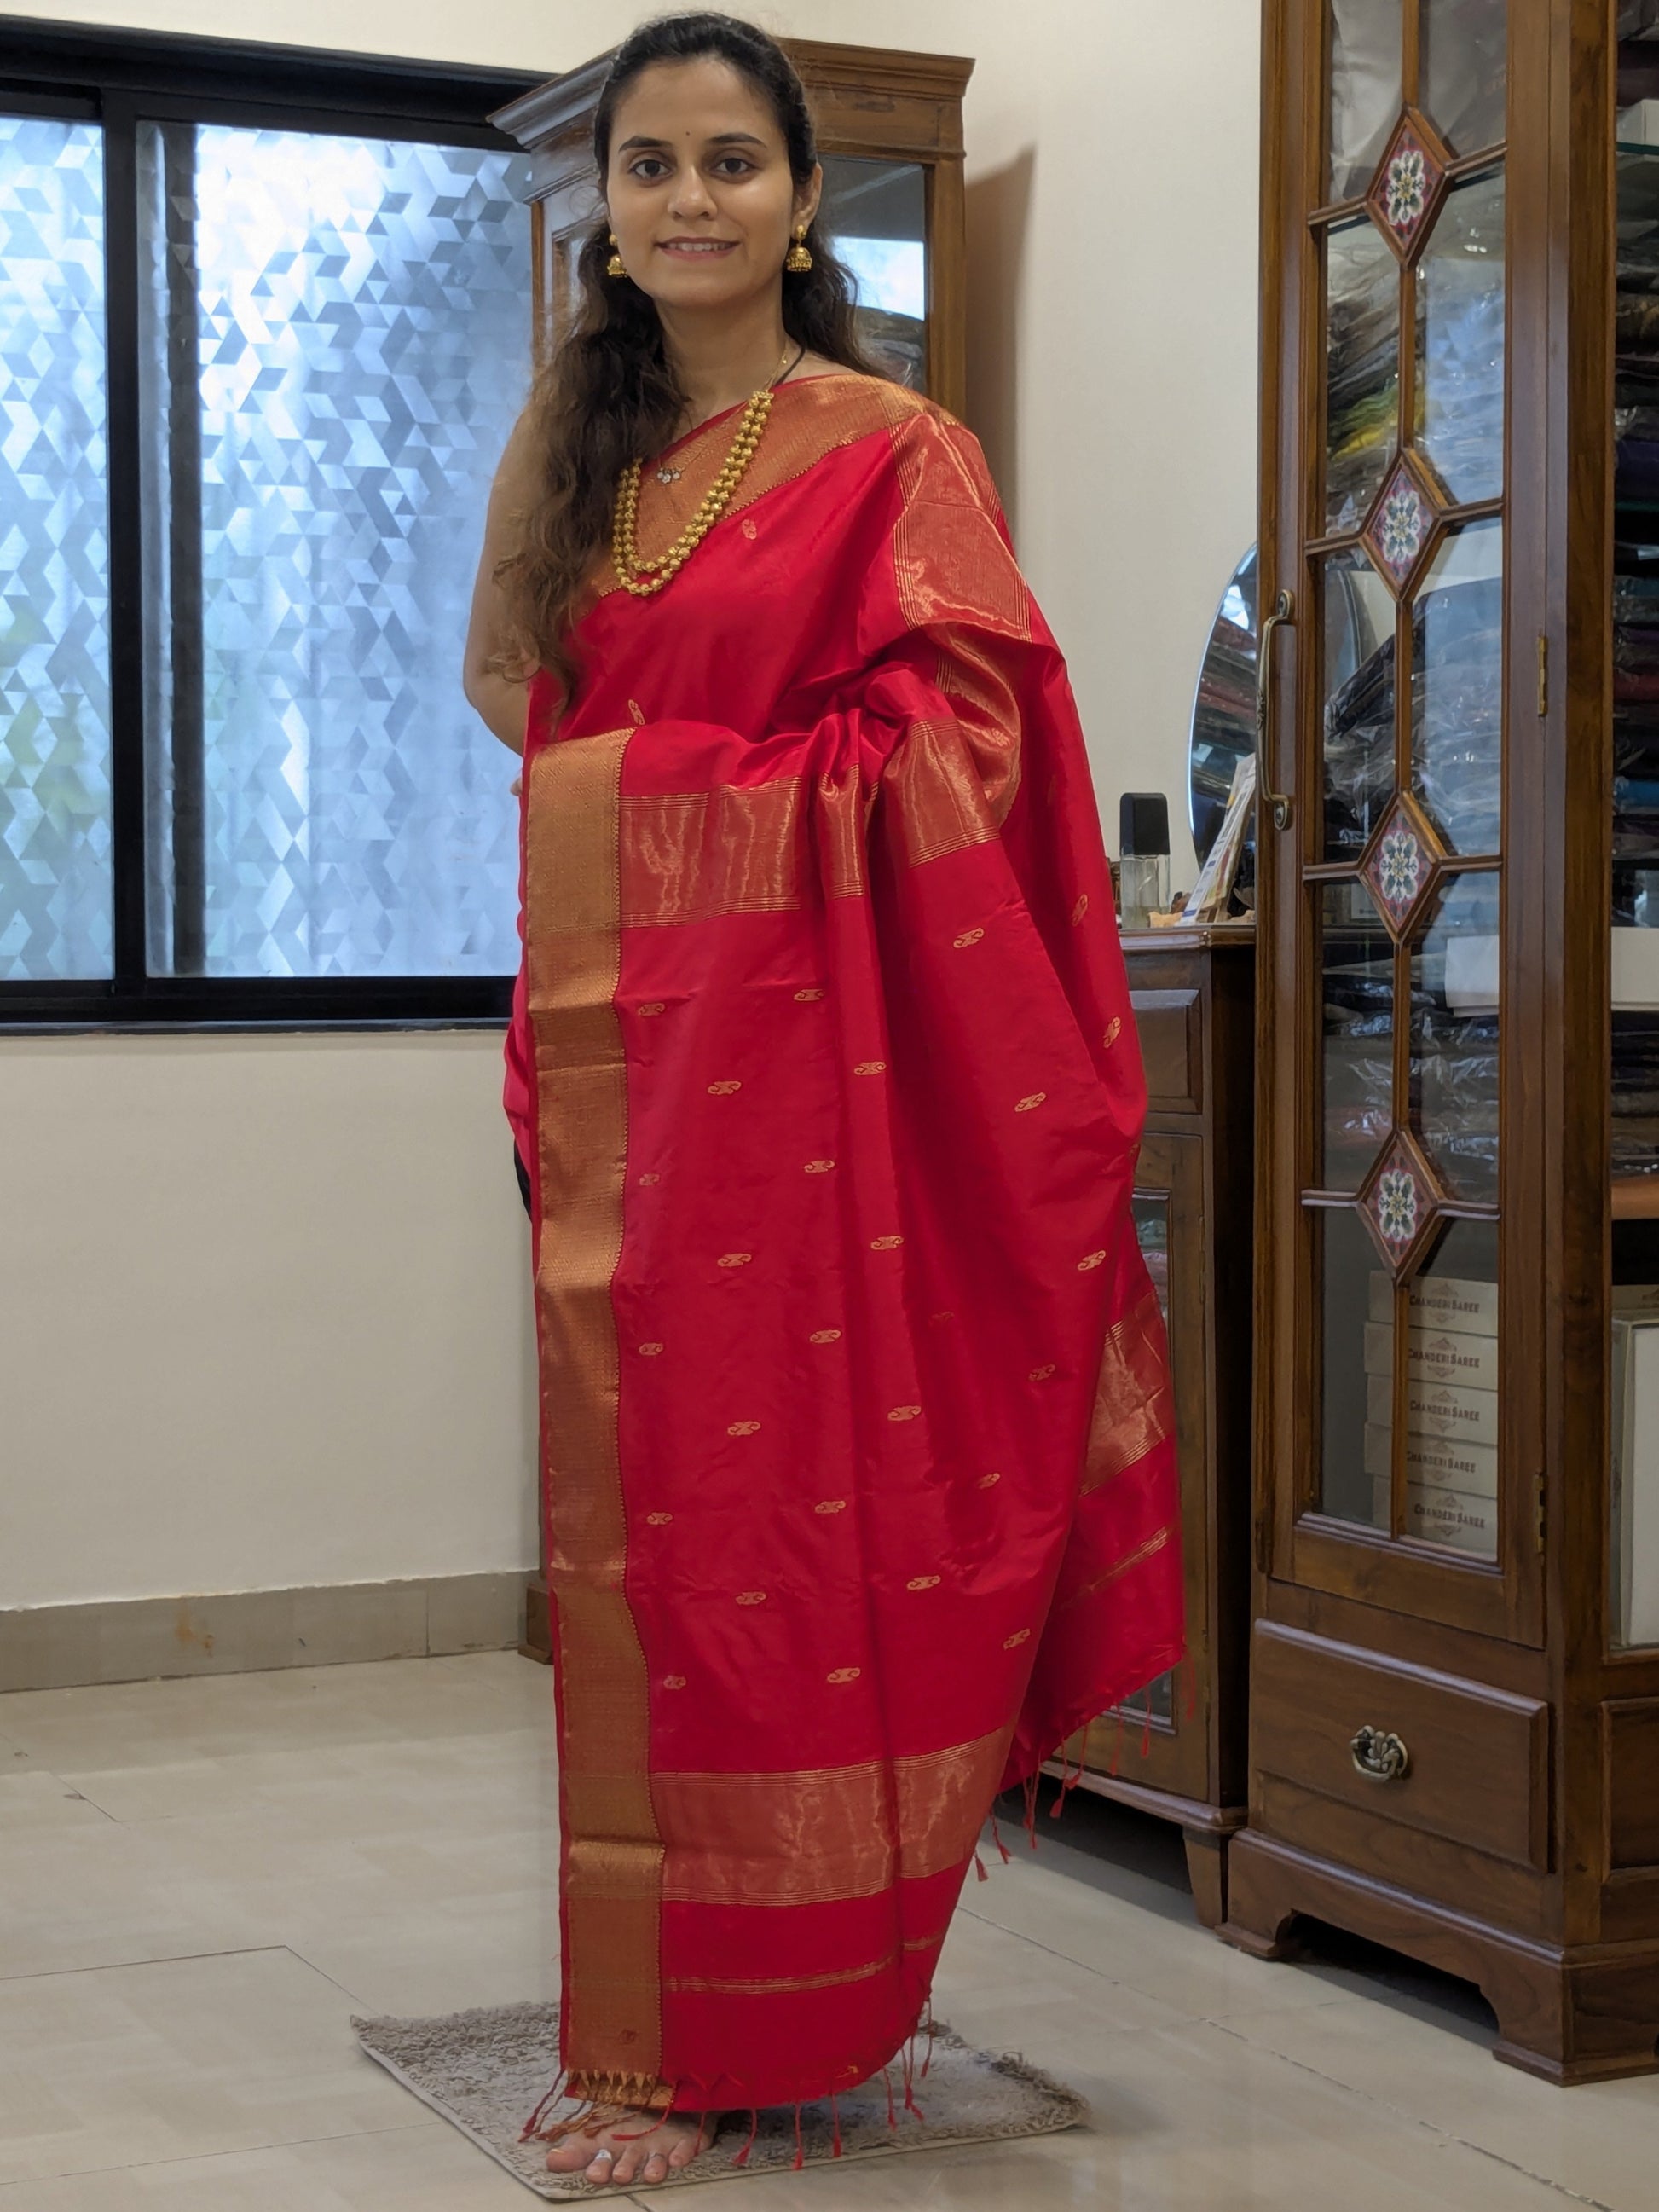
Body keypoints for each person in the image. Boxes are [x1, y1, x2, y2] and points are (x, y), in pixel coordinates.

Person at [462, 11, 1183, 2192]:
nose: (688, 201)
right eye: (651, 166)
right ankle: (664, 2007)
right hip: (631, 1075)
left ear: (798, 196)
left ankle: (751, 2025)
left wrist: (661, 809)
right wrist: (645, 825)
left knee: (801, 1538)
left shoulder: (889, 449)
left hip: (823, 1089)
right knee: (653, 1550)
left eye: (730, 164)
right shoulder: (573, 450)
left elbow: (970, 755)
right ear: (608, 204)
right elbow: (518, 691)